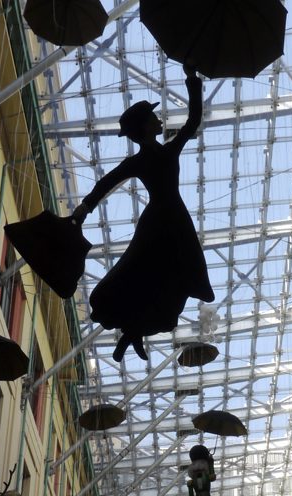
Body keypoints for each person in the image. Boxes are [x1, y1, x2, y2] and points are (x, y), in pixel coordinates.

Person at [72, 64, 214, 362]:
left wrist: (192, 80)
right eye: (152, 116)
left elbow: (193, 122)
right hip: (170, 222)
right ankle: (134, 329)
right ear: (145, 127)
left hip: (164, 221)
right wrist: (191, 79)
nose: (158, 118)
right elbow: (106, 182)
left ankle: (134, 331)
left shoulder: (157, 154)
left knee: (157, 277)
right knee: (159, 277)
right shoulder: (158, 154)